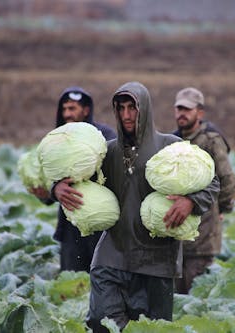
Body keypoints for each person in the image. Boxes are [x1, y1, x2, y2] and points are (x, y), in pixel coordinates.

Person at [52, 81, 220, 332]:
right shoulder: (106, 152)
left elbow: (212, 182)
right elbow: (73, 172)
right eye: (120, 108)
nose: (127, 115)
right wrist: (57, 188)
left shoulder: (170, 146)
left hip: (156, 261)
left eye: (133, 108)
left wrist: (190, 201)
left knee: (153, 328)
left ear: (146, 110)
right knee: (101, 322)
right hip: (112, 255)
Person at [30, 86, 116, 272]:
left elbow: (116, 173)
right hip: (71, 224)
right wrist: (50, 191)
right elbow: (49, 183)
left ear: (86, 110)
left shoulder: (103, 136)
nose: (67, 114)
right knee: (72, 281)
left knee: (101, 280)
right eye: (64, 109)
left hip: (99, 223)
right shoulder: (57, 140)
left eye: (72, 108)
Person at [172, 87, 235, 294]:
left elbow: (226, 179)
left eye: (187, 109)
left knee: (195, 292)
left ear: (199, 113)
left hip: (203, 234)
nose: (182, 113)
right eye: (179, 108)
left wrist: (221, 210)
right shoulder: (173, 140)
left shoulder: (211, 141)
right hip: (178, 233)